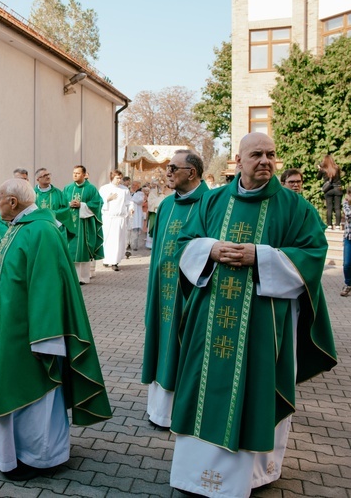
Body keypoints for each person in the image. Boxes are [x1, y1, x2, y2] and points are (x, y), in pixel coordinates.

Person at [169, 133, 337, 497]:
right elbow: (183, 244)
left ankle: (253, 475)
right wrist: (210, 250)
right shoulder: (211, 202)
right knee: (202, 388)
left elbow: (313, 253)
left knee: (255, 389)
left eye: (271, 154)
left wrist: (260, 256)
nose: (265, 160)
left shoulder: (294, 207)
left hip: (263, 324)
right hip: (209, 322)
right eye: (256, 154)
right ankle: (193, 474)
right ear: (238, 161)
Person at [0, 178, 112, 481]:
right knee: (12, 390)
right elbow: (1, 265)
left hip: (31, 336)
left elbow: (48, 288)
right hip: (9, 331)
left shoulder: (42, 231)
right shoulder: (18, 228)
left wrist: (46, 340)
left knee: (36, 396)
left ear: (12, 202)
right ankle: (11, 454)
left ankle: (39, 457)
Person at [141, 150, 210, 429]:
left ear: (191, 173)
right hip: (162, 292)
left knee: (185, 345)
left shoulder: (211, 203)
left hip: (190, 292)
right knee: (161, 342)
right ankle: (159, 411)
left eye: (172, 168)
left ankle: (184, 412)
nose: (167, 172)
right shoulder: (167, 205)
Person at [62, 165, 103, 283]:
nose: (75, 175)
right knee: (70, 249)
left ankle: (83, 278)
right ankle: (71, 278)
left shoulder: (91, 189)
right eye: (74, 173)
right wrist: (69, 204)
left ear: (84, 175)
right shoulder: (68, 188)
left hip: (84, 224)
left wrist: (82, 205)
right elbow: (62, 203)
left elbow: (97, 203)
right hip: (70, 224)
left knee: (83, 249)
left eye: (78, 173)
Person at [99, 170, 131, 271]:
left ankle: (115, 261)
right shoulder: (104, 188)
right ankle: (106, 259)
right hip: (108, 217)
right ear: (112, 178)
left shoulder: (124, 190)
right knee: (108, 239)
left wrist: (131, 209)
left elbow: (129, 202)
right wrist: (107, 199)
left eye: (120, 178)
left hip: (119, 218)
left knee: (117, 240)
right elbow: (98, 202)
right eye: (117, 178)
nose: (119, 180)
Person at [0, 168, 30, 244]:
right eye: (18, 180)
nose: (22, 182)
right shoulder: (7, 197)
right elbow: (0, 221)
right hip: (11, 241)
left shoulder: (31, 198)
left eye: (25, 179)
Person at [34, 167, 72, 235]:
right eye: (44, 175)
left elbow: (66, 210)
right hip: (37, 228)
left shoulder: (58, 193)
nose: (48, 177)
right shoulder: (33, 194)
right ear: (38, 179)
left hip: (56, 227)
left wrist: (52, 213)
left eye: (48, 174)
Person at [318, 154, 343, 229]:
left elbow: (318, 178)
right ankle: (338, 225)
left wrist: (320, 169)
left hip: (328, 189)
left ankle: (329, 225)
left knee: (329, 207)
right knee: (337, 208)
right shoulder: (336, 168)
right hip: (337, 188)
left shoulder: (323, 169)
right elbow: (339, 177)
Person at [128, 180, 145, 251]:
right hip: (130, 214)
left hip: (136, 215)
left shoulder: (140, 193)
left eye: (135, 185)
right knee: (129, 230)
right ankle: (128, 244)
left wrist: (133, 194)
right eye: (133, 185)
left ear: (138, 186)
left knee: (135, 230)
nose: (133, 186)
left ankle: (134, 246)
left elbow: (139, 201)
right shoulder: (129, 193)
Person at [342, 185, 351, 297]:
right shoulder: (346, 204)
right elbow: (348, 215)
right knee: (347, 263)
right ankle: (348, 284)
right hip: (349, 238)